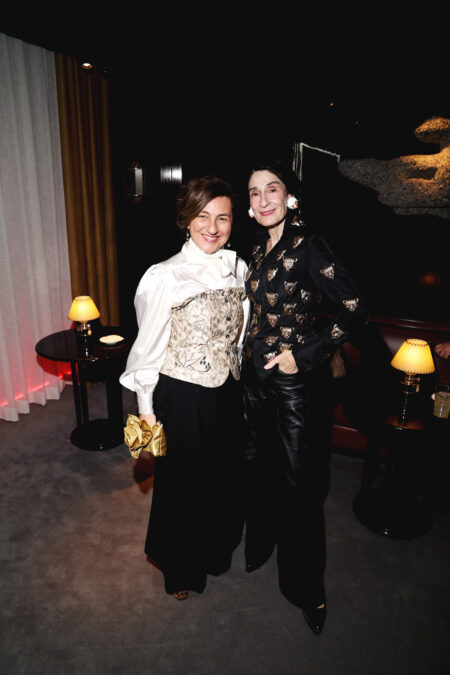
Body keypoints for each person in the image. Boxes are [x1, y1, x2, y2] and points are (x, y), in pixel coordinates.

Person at [241, 159, 368, 634]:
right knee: (258, 469)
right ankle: (262, 545)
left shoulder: (310, 245)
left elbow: (355, 307)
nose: (263, 199)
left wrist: (306, 353)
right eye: (254, 193)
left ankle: (306, 588)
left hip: (294, 385)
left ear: (290, 197)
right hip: (254, 380)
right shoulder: (258, 249)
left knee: (300, 485)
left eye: (272, 189)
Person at [120, 176, 249, 600]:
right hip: (182, 395)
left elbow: (240, 334)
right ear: (186, 219)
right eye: (202, 216)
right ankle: (180, 570)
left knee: (222, 480)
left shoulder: (238, 268)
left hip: (227, 391)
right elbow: (147, 348)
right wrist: (147, 411)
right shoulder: (164, 276)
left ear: (233, 222)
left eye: (222, 218)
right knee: (182, 485)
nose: (212, 227)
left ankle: (213, 552)